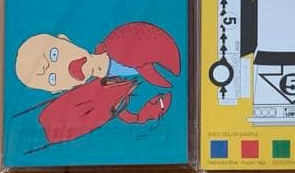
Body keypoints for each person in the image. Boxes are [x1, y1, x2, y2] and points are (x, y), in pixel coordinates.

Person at [14, 22, 179, 145]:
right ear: (58, 90)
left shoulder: (114, 41)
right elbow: (130, 116)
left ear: (64, 39)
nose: (64, 67)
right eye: (53, 78)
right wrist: (145, 114)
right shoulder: (104, 96)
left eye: (54, 54)